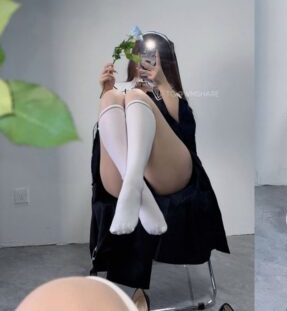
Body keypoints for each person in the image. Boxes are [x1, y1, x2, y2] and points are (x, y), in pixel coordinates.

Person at [91, 31, 229, 289]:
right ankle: (138, 191)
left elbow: (185, 132)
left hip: (170, 175)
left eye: (153, 57)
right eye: (139, 57)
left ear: (165, 62)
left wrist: (162, 83)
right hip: (119, 178)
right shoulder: (121, 91)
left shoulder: (169, 93)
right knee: (112, 97)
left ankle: (135, 186)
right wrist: (106, 91)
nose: (144, 63)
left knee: (136, 97)